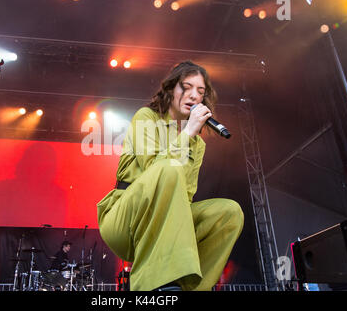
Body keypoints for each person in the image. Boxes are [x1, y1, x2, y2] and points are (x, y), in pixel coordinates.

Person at [96, 61, 244, 291]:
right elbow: (157, 168)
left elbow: (186, 195)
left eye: (201, 91)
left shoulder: (198, 145)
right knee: (169, 167)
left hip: (167, 219)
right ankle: (152, 287)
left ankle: (191, 287)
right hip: (127, 219)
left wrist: (189, 136)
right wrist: (187, 133)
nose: (194, 95)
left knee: (229, 212)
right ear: (171, 90)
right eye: (187, 87)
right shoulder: (147, 117)